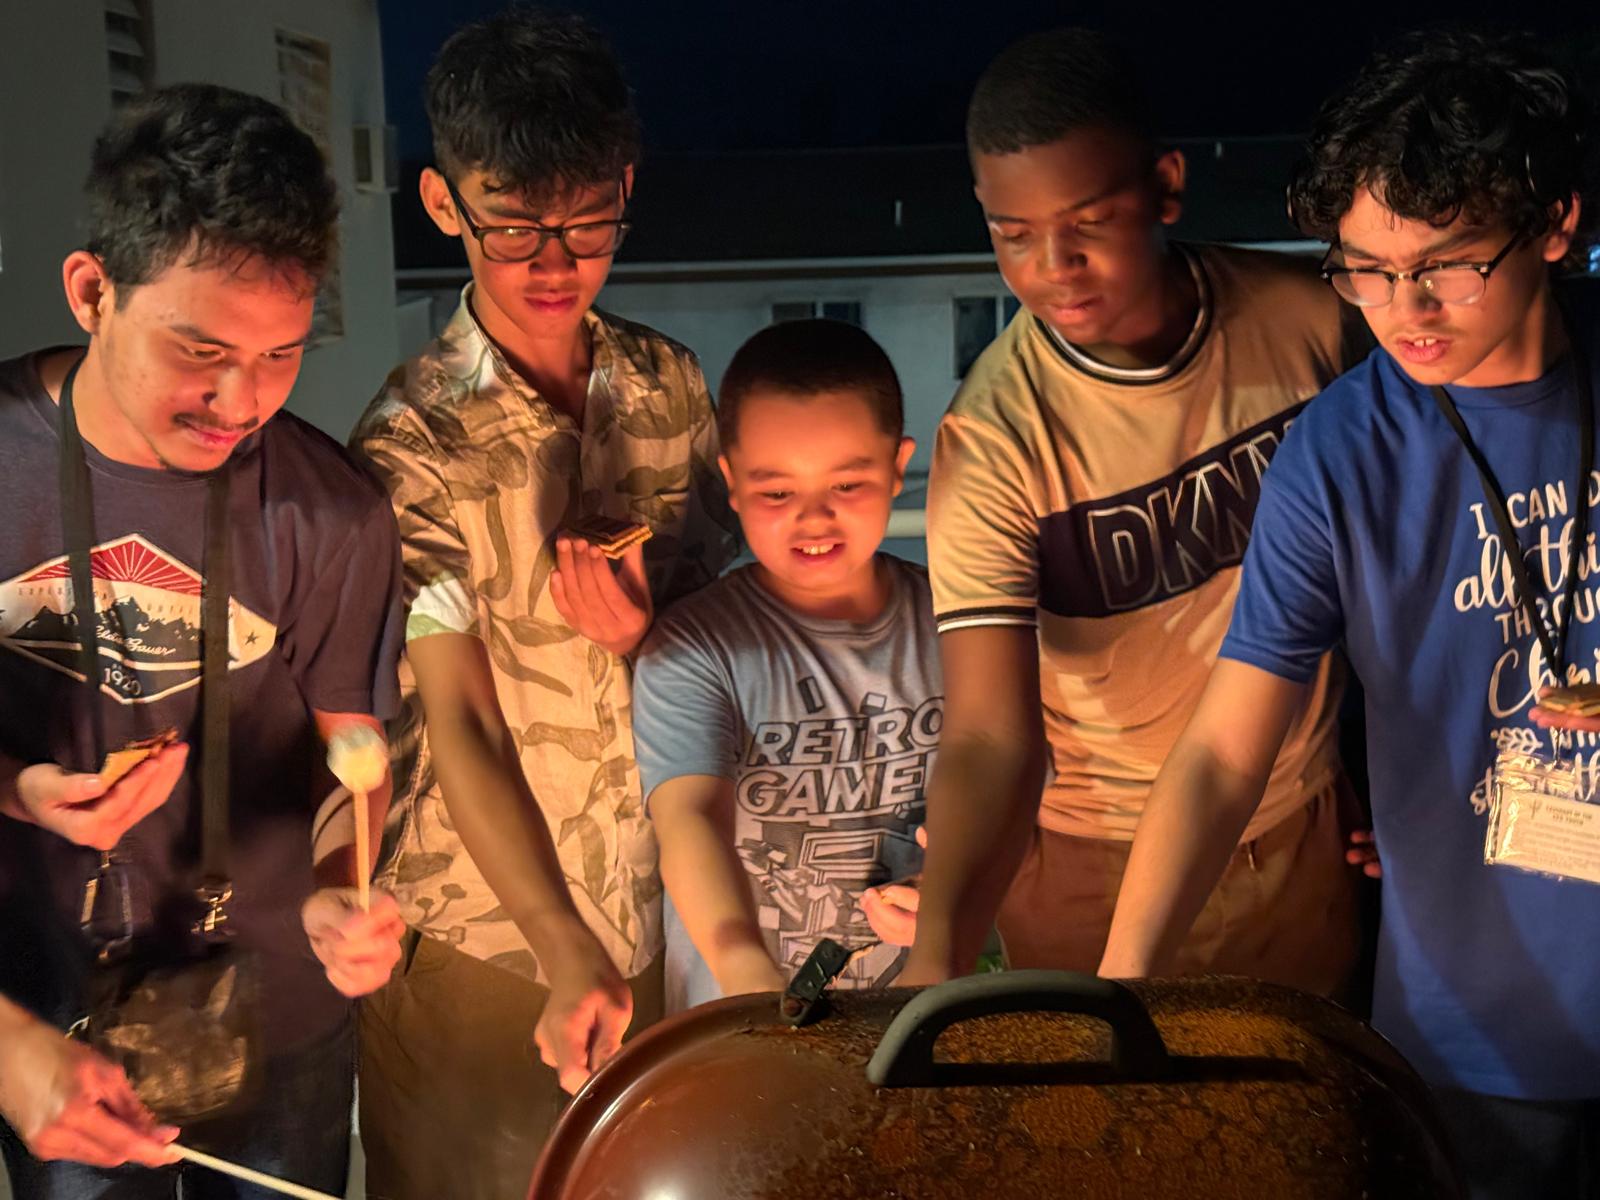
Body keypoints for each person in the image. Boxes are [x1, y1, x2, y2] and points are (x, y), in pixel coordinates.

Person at [1098, 29, 1598, 1199]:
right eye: (1363, 267)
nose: (1401, 308)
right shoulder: (1337, 455)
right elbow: (1224, 753)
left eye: (1447, 263)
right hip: (1475, 1040)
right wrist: (1119, 994)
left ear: (1557, 224)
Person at [349, 9, 738, 1197]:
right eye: (511, 225)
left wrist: (650, 633)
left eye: (584, 222)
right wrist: (564, 944)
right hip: (489, 945)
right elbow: (452, 714)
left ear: (624, 187)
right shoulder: (412, 438)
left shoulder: (667, 382)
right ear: (440, 201)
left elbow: (733, 618)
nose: (552, 263)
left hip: (664, 907)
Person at [0, 83, 406, 1198]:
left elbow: (353, 757)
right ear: (92, 290)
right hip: (46, 1007)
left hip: (276, 1005)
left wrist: (341, 883)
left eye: (281, 355)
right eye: (199, 349)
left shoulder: (334, 512)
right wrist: (23, 789)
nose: (242, 400)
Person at [900, 28, 1366, 990]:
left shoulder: (1311, 323)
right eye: (1012, 234)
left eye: (1088, 222)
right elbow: (991, 731)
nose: (1051, 267)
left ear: (1165, 186)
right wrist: (936, 953)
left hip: (1294, 828)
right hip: (1091, 857)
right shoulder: (994, 438)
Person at [632, 320, 938, 1008]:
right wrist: (745, 972)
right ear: (732, 484)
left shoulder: (962, 628)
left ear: (898, 468)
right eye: (777, 493)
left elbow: (1007, 801)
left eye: (848, 484)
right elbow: (688, 819)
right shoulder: (695, 648)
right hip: (747, 1036)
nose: (814, 518)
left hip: (931, 1025)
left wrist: (947, 888)